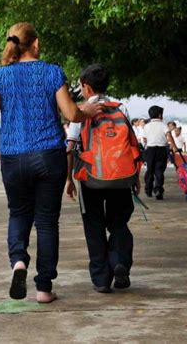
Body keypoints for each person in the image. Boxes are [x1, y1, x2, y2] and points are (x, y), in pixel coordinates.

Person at [0, 22, 101, 303]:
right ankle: (43, 288)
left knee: (18, 214)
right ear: (36, 43)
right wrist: (86, 111)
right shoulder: (52, 72)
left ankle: (18, 261)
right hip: (49, 156)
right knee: (47, 223)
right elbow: (70, 113)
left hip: (13, 158)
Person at [65, 64, 140, 294]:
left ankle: (101, 278)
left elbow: (71, 146)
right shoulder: (121, 107)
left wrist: (69, 178)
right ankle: (119, 261)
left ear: (86, 87)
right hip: (121, 176)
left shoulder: (82, 111)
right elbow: (131, 143)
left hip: (91, 178)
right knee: (119, 221)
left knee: (94, 225)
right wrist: (135, 176)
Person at [142, 105, 176, 200]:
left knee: (150, 170)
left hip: (150, 150)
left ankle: (148, 190)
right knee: (159, 170)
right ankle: (158, 190)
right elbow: (169, 135)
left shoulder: (146, 126)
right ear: (160, 115)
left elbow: (144, 139)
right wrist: (174, 146)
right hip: (161, 150)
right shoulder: (163, 125)